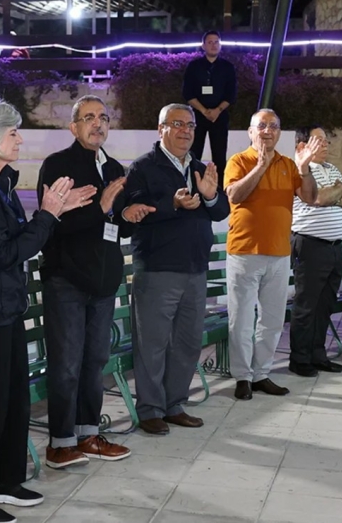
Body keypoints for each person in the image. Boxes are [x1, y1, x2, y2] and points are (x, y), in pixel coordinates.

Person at [0, 92, 97, 523]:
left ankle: (5, 480)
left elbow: (20, 239)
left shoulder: (1, 182)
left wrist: (54, 212)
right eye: (12, 132)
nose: (20, 139)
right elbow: (2, 253)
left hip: (6, 307)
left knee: (14, 401)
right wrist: (48, 215)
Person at [37, 95, 132, 468]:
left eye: (103, 117)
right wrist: (101, 208)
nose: (97, 124)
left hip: (103, 282)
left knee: (95, 361)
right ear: (73, 127)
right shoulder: (58, 165)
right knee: (66, 365)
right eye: (89, 117)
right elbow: (53, 226)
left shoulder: (114, 168)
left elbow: (114, 224)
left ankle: (88, 434)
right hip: (67, 281)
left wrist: (129, 215)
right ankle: (60, 443)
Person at [124, 103, 230, 436]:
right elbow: (135, 211)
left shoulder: (199, 167)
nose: (186, 131)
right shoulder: (143, 167)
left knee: (186, 342)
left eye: (191, 125)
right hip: (158, 268)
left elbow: (221, 210)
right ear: (161, 129)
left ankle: (174, 405)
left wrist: (210, 197)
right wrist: (172, 203)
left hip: (195, 268)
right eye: (178, 124)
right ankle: (150, 410)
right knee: (152, 344)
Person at [223, 109, 319, 400]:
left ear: (279, 133)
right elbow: (234, 195)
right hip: (244, 252)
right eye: (261, 125)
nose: (267, 130)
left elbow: (310, 197)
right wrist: (260, 167)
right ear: (251, 132)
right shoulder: (239, 161)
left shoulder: (288, 164)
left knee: (273, 320)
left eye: (273, 126)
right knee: (241, 320)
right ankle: (242, 376)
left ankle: (261, 374)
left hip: (279, 253)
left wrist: (304, 169)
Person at [288, 126, 342, 377]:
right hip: (310, 244)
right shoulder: (299, 170)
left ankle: (318, 354)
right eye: (319, 141)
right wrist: (337, 191)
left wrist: (334, 193)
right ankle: (299, 358)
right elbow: (317, 199)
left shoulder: (331, 169)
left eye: (327, 141)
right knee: (307, 305)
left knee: (325, 304)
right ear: (302, 145)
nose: (326, 145)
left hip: (334, 246)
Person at [182, 30, 237, 189]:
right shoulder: (194, 66)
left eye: (216, 42)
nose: (213, 45)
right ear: (203, 45)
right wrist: (204, 111)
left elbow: (231, 94)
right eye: (210, 42)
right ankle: (192, 186)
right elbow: (187, 93)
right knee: (194, 153)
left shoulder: (227, 67)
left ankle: (219, 189)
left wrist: (217, 110)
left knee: (219, 155)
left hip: (220, 116)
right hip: (197, 116)